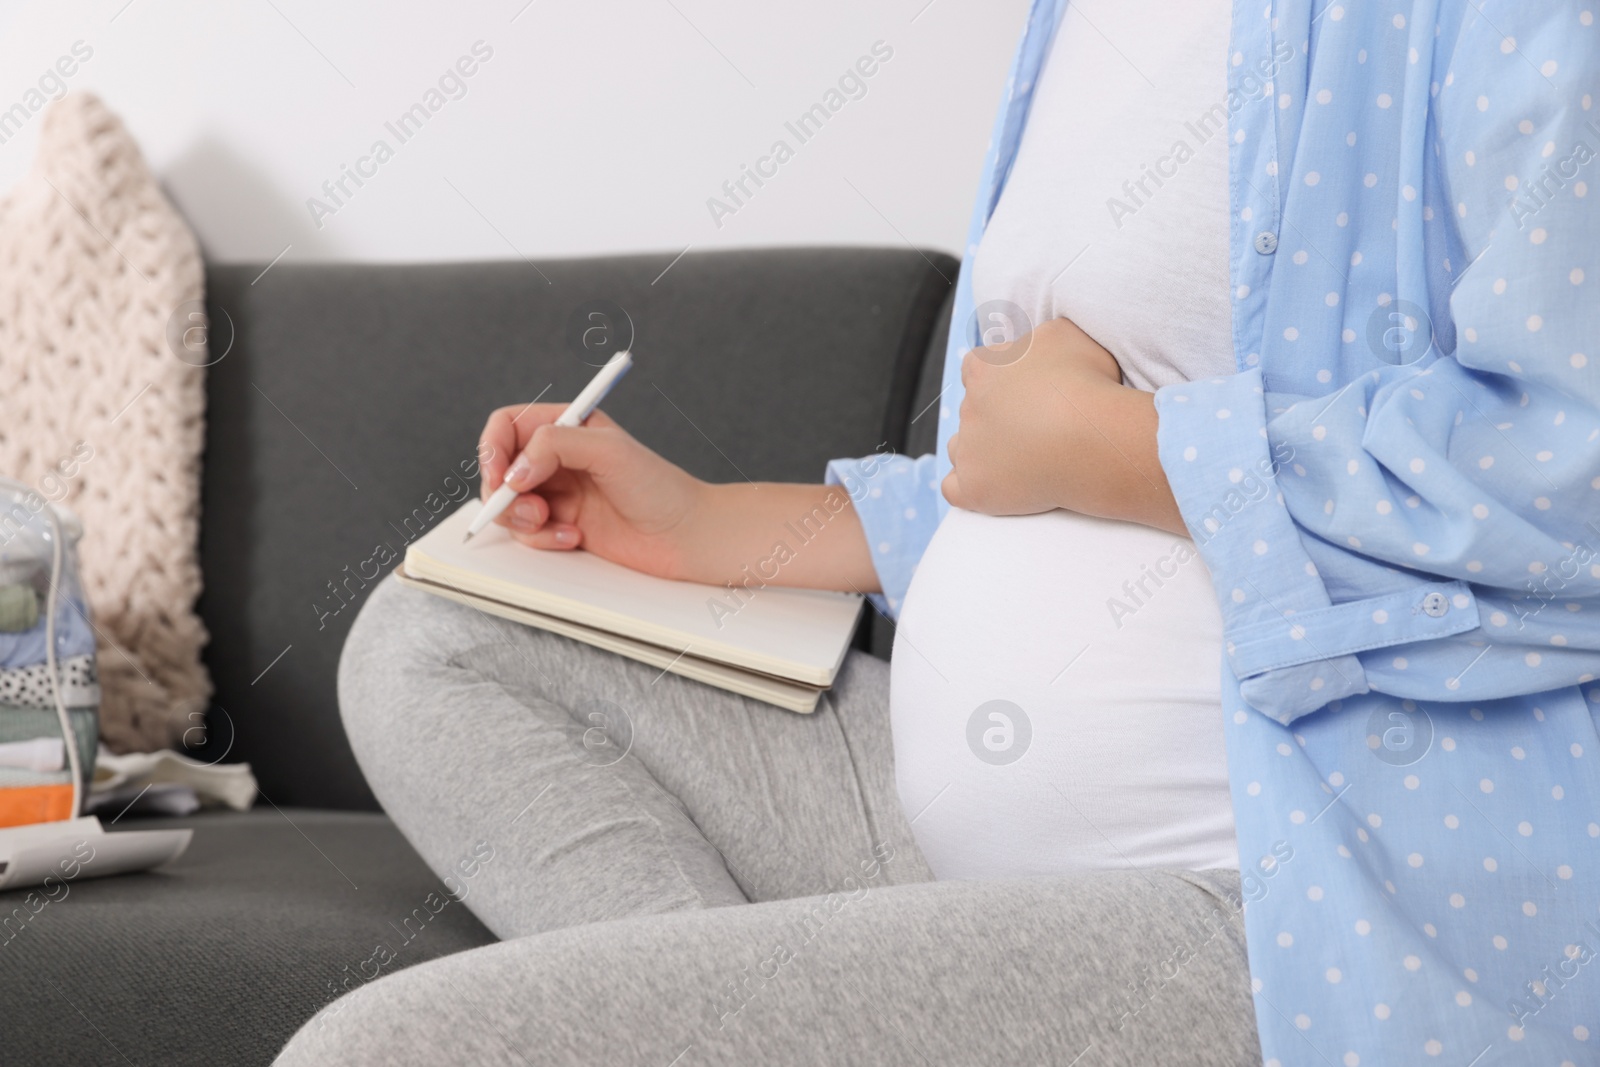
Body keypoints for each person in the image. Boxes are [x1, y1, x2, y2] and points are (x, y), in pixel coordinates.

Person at [277, 2, 1599, 1065]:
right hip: (979, 845)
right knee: (441, 632)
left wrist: (1121, 449)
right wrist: (710, 529)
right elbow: (1028, 471)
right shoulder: (1070, 29)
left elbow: (1565, 475)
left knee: (386, 1051)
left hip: (1294, 890)